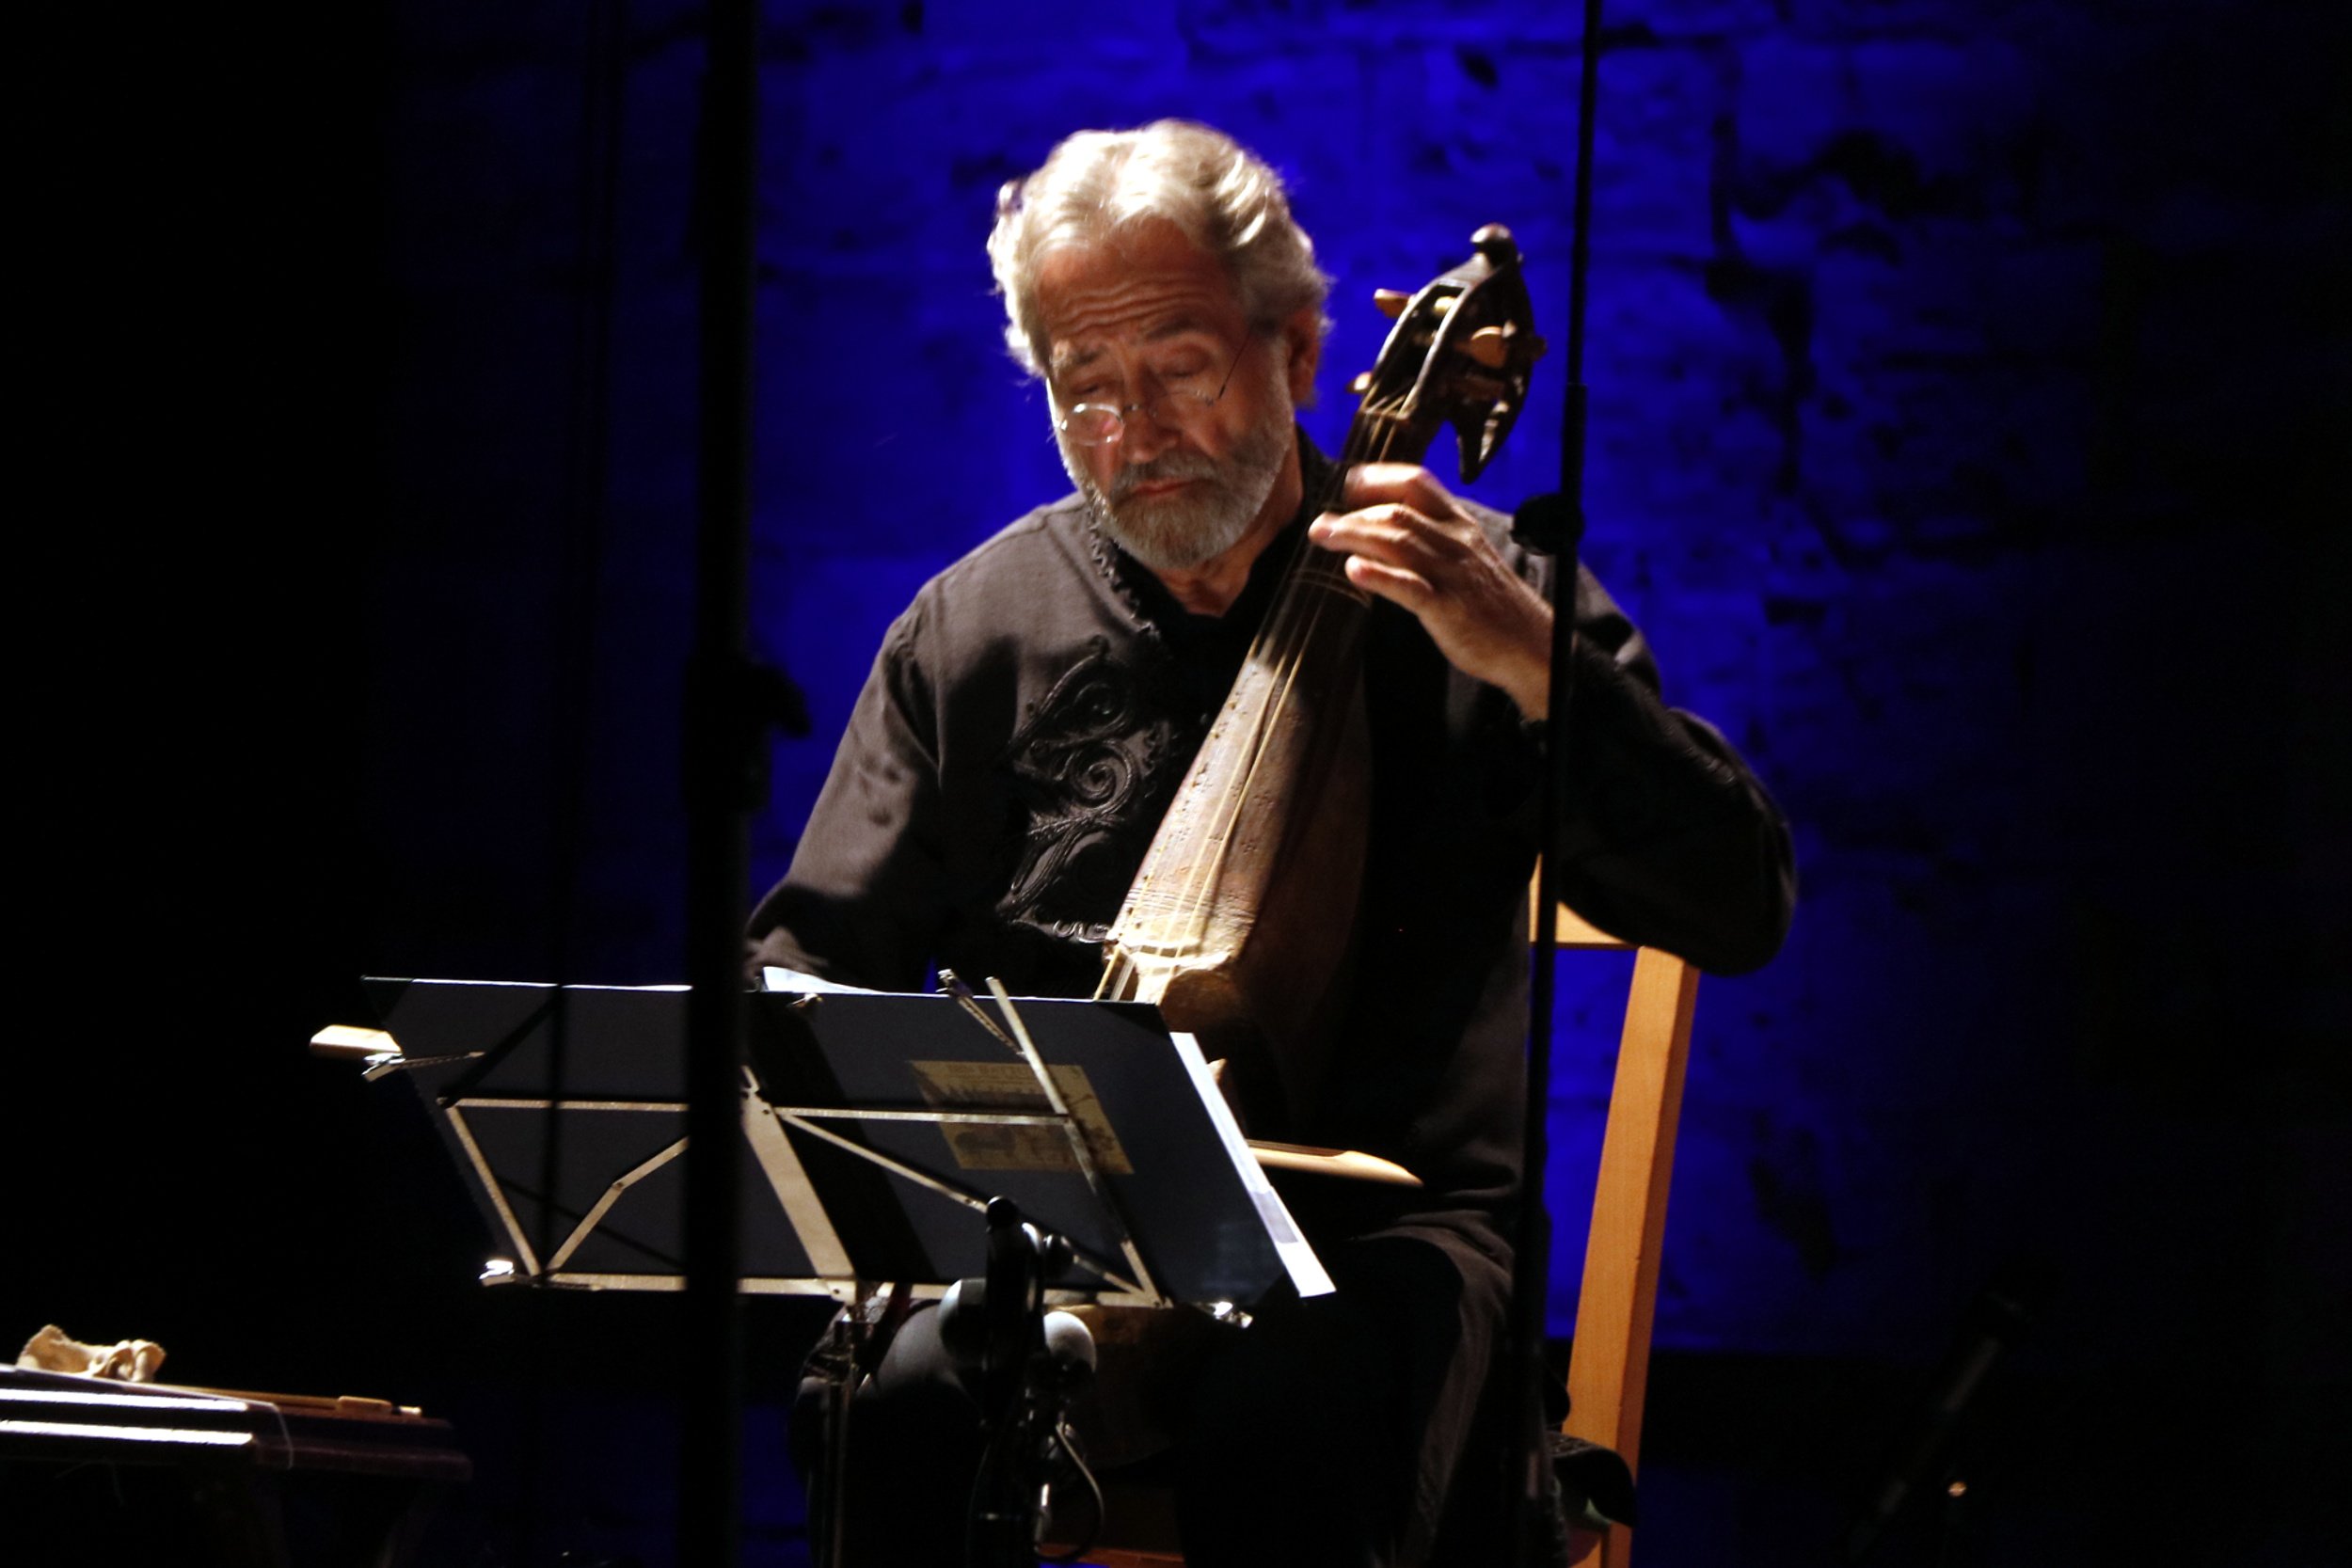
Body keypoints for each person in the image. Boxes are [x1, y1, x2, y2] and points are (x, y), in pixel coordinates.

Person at [750, 120, 1795, 1567]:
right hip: (1062, 1239)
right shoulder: (975, 630)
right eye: (1084, 392)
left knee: (1292, 1413)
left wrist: (1539, 668)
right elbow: (813, 971)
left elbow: (1740, 903)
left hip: (1381, 1252)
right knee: (907, 1404)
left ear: (1299, 353)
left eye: (1178, 368)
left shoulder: (1476, 604)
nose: (1134, 436)